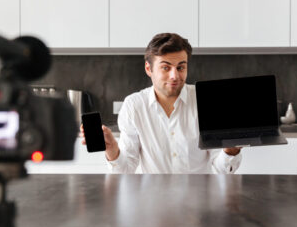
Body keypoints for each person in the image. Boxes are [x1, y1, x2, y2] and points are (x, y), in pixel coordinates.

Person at [80, 33, 242, 174]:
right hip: (151, 202)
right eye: (166, 67)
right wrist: (112, 150)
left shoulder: (207, 101)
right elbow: (125, 170)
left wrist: (231, 150)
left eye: (181, 67)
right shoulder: (133, 106)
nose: (175, 76)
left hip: (199, 202)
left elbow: (220, 170)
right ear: (148, 68)